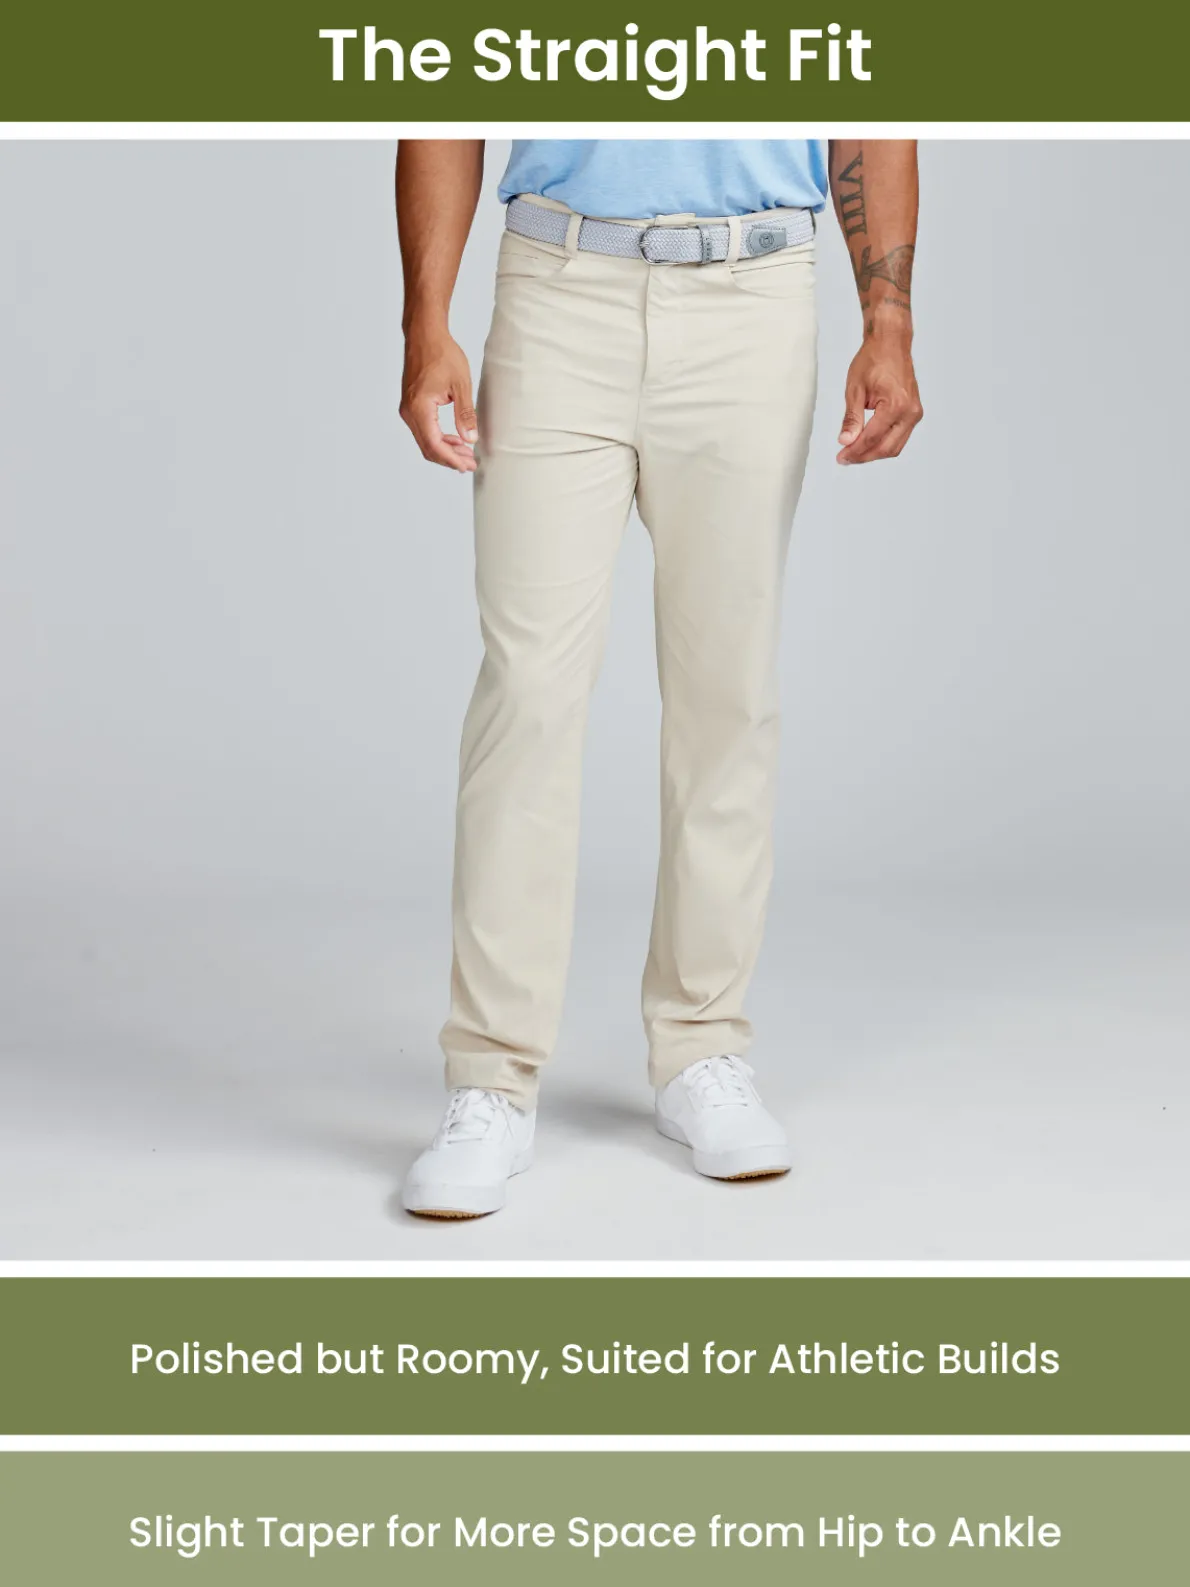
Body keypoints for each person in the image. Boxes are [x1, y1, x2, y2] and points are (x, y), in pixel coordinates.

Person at [396, 140, 923, 1217]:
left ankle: (700, 1046)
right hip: (557, 290)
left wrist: (889, 322)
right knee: (526, 694)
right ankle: (491, 1075)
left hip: (752, 297)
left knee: (726, 691)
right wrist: (424, 323)